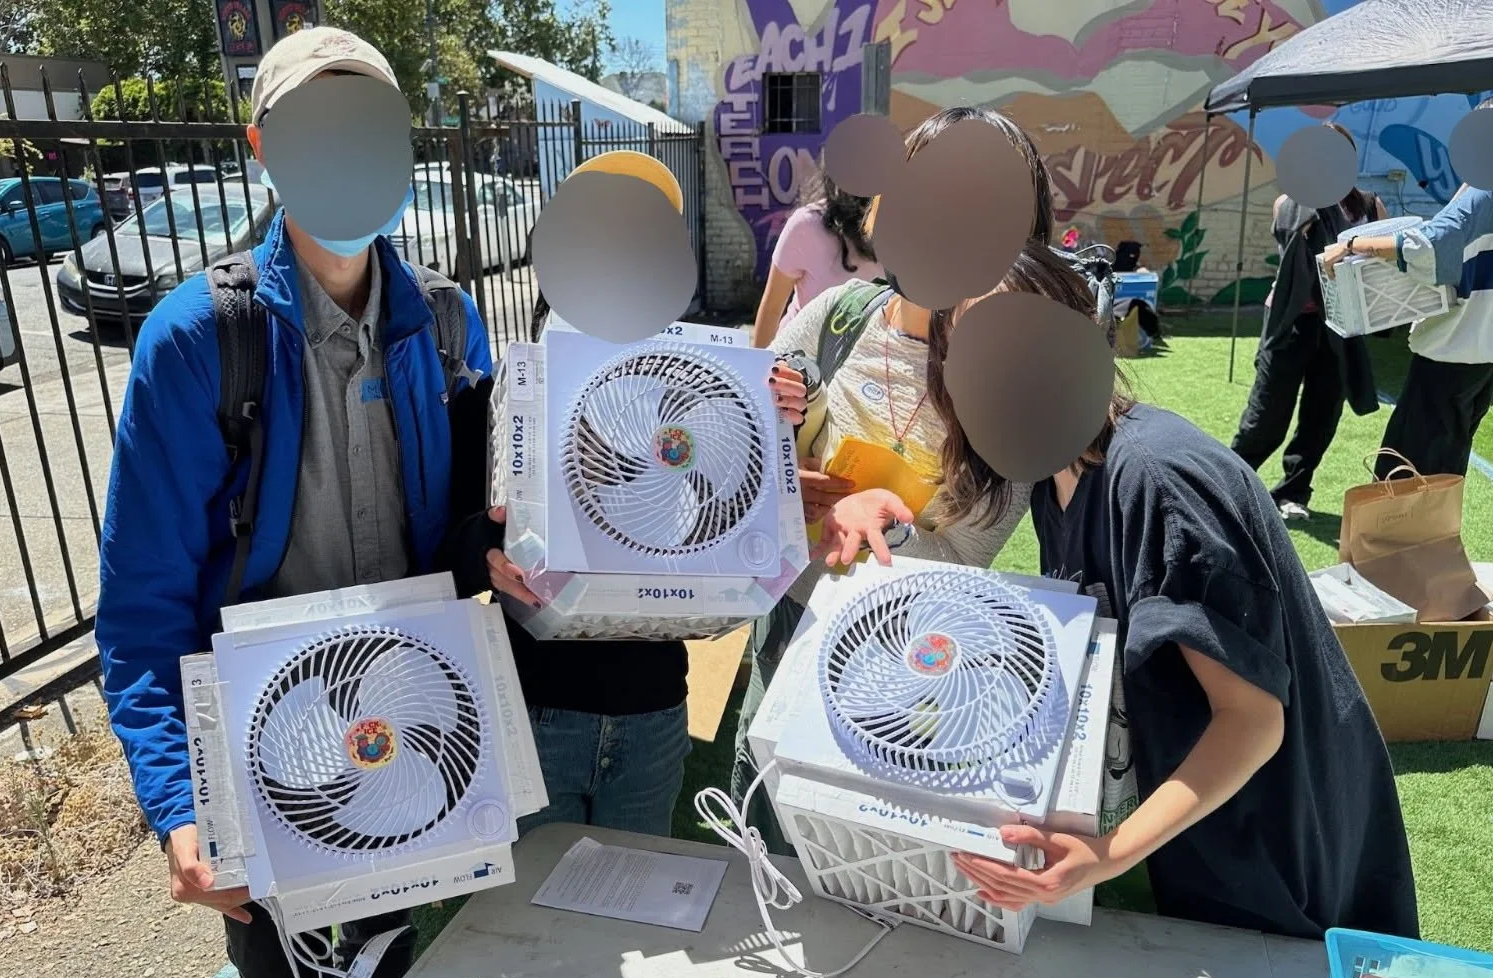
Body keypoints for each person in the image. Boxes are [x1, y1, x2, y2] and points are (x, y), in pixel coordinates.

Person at [95, 28, 494, 978]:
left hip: (410, 739)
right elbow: (138, 612)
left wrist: (509, 549)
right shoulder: (198, 341)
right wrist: (179, 807)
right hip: (266, 767)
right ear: (262, 146)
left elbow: (465, 536)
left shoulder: (451, 325)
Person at [939, 244, 1418, 941]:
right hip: (1197, 833)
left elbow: (1253, 722)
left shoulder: (1157, 482)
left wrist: (1105, 855)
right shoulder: (1055, 476)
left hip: (1277, 856)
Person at [730, 105, 1051, 854]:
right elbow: (745, 459)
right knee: (757, 837)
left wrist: (889, 525)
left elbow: (969, 561)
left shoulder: (1016, 384)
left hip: (903, 665)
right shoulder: (839, 315)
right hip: (787, 624)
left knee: (862, 858)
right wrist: (779, 431)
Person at [445, 276, 803, 838]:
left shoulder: (693, 413)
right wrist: (486, 552)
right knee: (541, 916)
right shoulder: (497, 410)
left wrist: (776, 400)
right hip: (540, 712)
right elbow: (450, 543)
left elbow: (746, 519)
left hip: (652, 715)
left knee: (636, 906)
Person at [1321, 93, 1493, 481]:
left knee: (1402, 474)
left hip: (1452, 348)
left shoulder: (1486, 188)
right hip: (1492, 352)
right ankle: (1431, 542)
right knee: (1446, 471)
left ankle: (1397, 543)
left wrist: (1353, 243)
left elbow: (1429, 247)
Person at [1231, 123, 1385, 520]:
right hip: (1289, 321)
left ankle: (1293, 491)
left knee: (1321, 413)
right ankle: (1228, 485)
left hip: (1340, 323)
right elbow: (1289, 240)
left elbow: (1379, 263)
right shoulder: (1290, 202)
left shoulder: (1369, 206)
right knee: (1266, 414)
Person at [751, 171, 879, 348]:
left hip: (868, 364)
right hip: (798, 363)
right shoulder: (807, 224)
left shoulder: (903, 229)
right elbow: (772, 308)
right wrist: (758, 369)